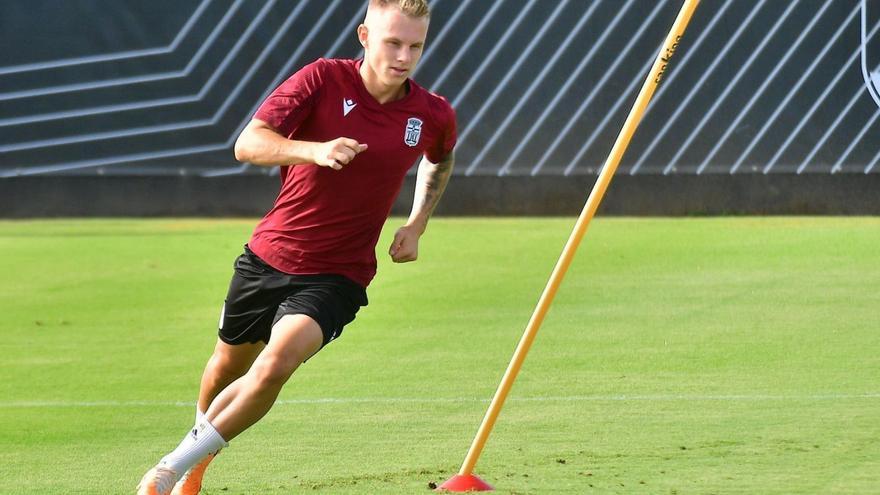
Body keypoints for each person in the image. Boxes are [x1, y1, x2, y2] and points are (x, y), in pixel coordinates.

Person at [136, 1, 456, 493]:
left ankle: (172, 467)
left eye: (415, 45)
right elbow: (249, 143)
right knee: (227, 365)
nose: (404, 56)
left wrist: (417, 224)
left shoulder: (431, 113)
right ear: (365, 36)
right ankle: (198, 460)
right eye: (393, 42)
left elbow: (440, 159)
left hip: (339, 275)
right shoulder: (322, 80)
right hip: (269, 255)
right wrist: (315, 150)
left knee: (274, 365)